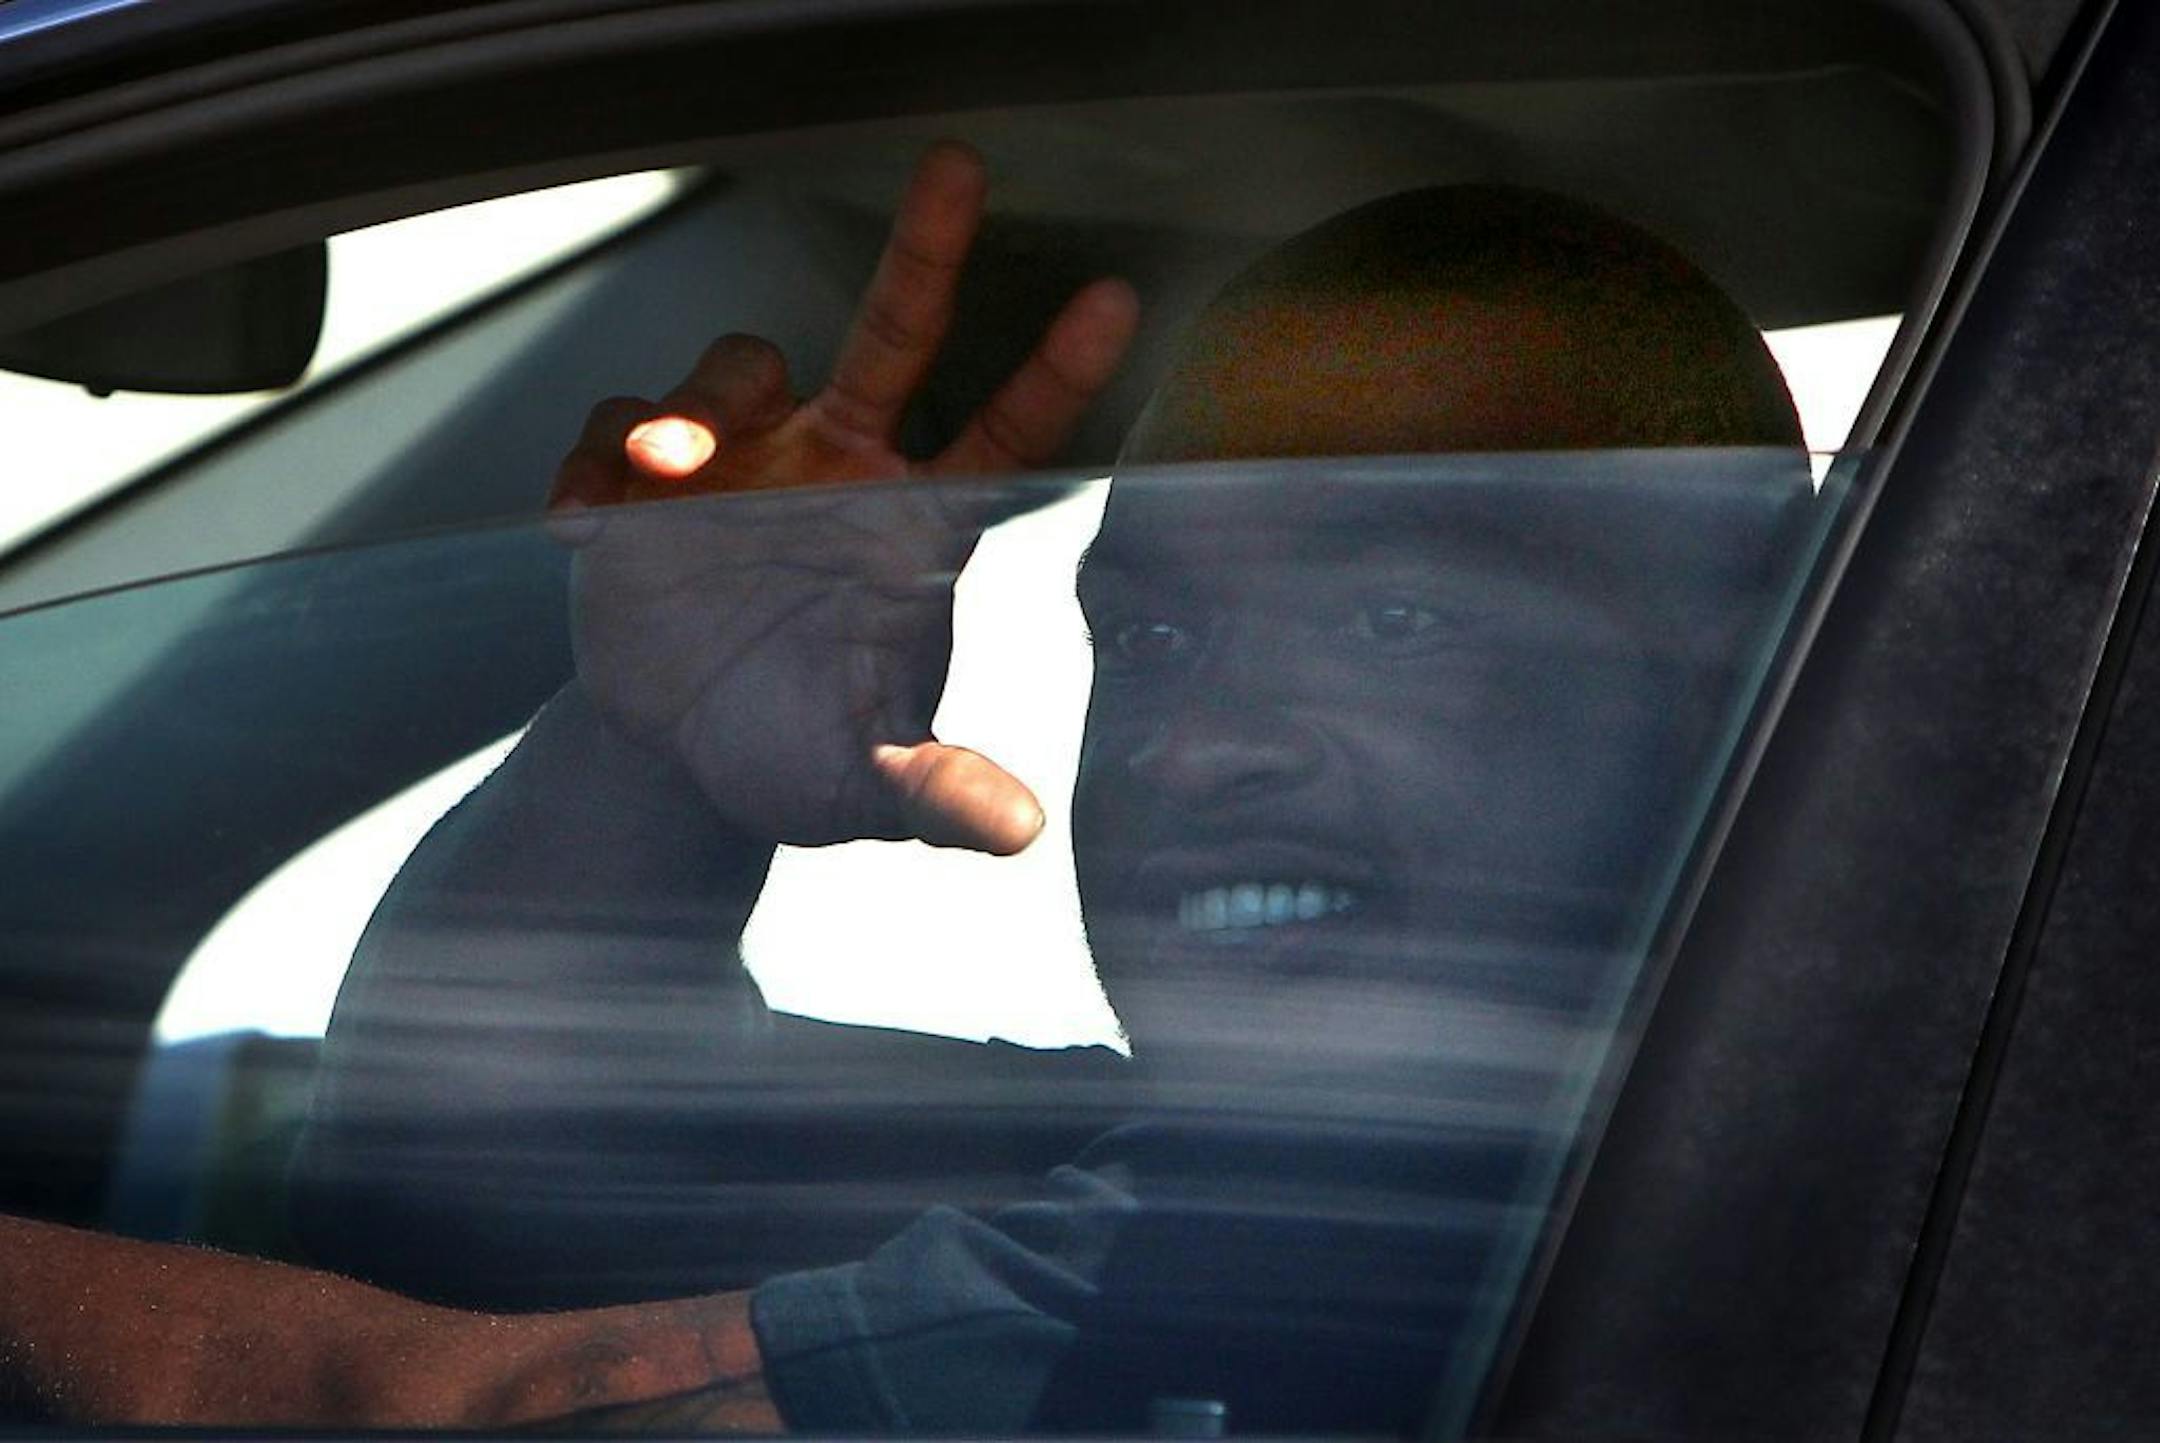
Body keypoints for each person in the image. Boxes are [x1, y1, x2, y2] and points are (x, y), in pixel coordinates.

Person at [281, 141, 1810, 1434]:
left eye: (1391, 621)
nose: (1194, 745)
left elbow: (434, 1381)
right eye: (1151, 634)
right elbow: (481, 1198)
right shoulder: (1219, 1208)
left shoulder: (1637, 1234)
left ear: (1750, 679)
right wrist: (650, 745)